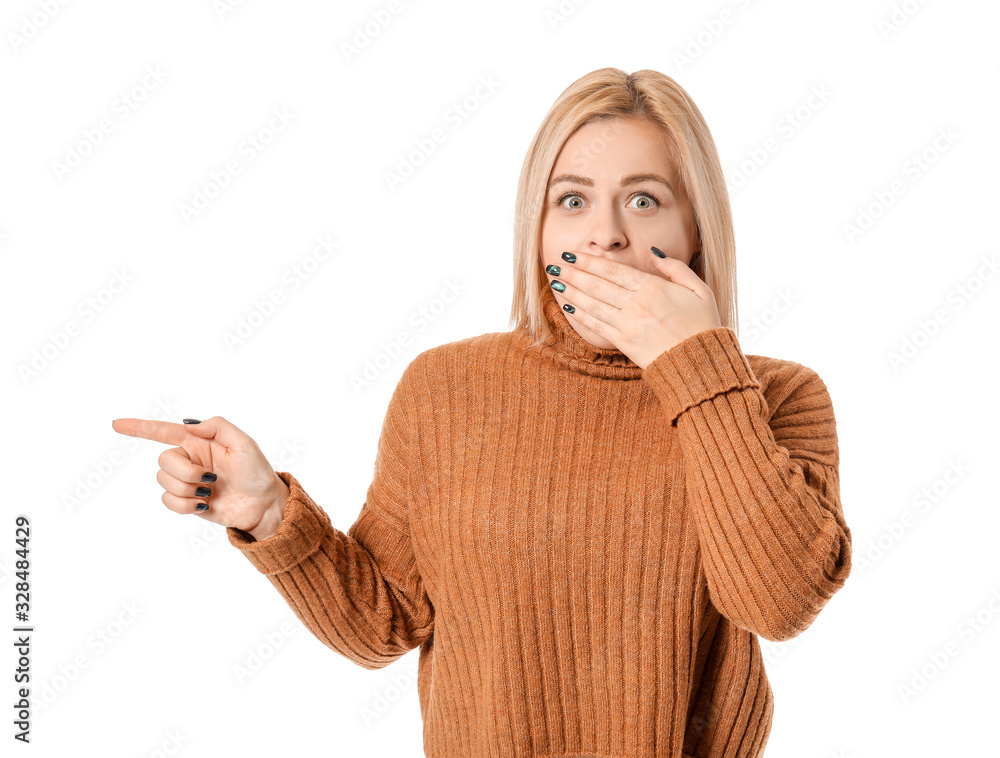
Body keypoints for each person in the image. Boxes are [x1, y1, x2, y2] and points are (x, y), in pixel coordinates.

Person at [113, 67, 852, 758]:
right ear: (537, 231)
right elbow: (384, 623)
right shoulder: (445, 388)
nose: (604, 236)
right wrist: (269, 515)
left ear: (695, 228)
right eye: (572, 200)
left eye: (644, 198)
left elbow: (777, 603)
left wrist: (695, 365)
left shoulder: (778, 398)